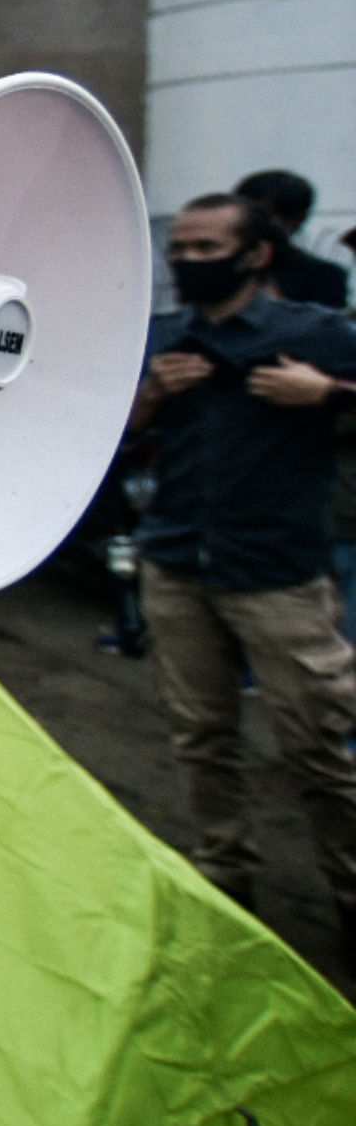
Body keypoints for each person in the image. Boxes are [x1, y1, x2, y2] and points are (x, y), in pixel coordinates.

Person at [129, 191, 356, 960]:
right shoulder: (169, 337)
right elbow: (108, 426)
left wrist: (326, 394)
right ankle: (226, 883)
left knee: (317, 746)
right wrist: (158, 392)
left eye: (206, 248)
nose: (189, 260)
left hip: (277, 578)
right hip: (177, 565)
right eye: (182, 249)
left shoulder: (315, 335)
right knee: (201, 738)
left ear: (255, 255)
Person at [235, 170, 350, 310]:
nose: (251, 223)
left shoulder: (323, 276)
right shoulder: (219, 262)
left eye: (264, 216)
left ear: (297, 220)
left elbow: (326, 327)